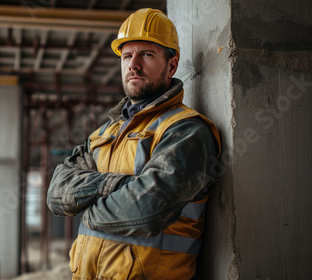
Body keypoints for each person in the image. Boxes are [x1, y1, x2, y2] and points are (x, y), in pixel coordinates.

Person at [47, 8, 222, 280]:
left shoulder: (185, 131)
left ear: (171, 65)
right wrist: (116, 186)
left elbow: (149, 208)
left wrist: (87, 212)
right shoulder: (105, 133)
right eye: (127, 55)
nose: (134, 64)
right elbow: (57, 193)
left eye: (147, 55)